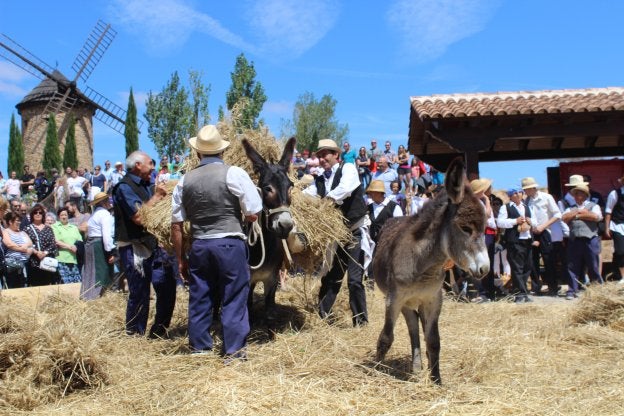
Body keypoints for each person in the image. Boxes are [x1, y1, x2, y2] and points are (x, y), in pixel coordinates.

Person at [171, 124, 262, 358]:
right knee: (233, 296)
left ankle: (200, 349)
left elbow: (176, 225)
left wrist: (180, 258)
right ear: (222, 151)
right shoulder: (235, 173)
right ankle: (233, 351)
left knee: (200, 296)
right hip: (230, 244)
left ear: (197, 152)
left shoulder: (184, 181)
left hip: (200, 245)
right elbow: (253, 212)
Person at [305, 138, 370, 326]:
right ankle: (322, 315)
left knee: (355, 280)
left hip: (355, 231)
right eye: (320, 155)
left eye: (326, 154)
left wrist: (327, 200)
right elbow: (308, 194)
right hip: (338, 235)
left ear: (336, 155)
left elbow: (345, 188)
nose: (322, 158)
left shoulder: (347, 168)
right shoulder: (319, 179)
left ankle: (361, 322)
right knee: (333, 276)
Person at [113, 151, 176, 338]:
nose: (153, 167)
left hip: (154, 245)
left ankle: (159, 331)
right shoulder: (123, 187)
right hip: (134, 247)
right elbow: (139, 217)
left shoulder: (149, 185)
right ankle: (135, 336)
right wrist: (157, 197)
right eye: (150, 163)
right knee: (139, 292)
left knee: (167, 286)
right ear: (138, 165)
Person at [522, 177, 563, 297]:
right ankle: (536, 287)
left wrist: (544, 226)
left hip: (545, 231)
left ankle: (553, 287)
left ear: (533, 188)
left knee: (548, 259)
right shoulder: (526, 201)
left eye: (527, 189)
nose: (526, 192)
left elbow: (557, 214)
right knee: (533, 260)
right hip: (532, 232)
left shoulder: (546, 197)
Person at [561, 184, 603, 299]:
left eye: (579, 194)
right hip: (575, 240)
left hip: (590, 239)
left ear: (585, 195)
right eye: (575, 194)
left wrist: (576, 215)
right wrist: (580, 213)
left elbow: (596, 217)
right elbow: (564, 218)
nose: (576, 196)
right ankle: (572, 290)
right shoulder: (570, 208)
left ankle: (597, 290)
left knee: (593, 265)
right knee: (572, 266)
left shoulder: (594, 206)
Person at [497, 188, 536, 303]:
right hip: (514, 241)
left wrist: (530, 221)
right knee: (517, 267)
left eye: (519, 192)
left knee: (527, 267)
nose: (518, 194)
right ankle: (520, 294)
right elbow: (500, 222)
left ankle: (520, 291)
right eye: (515, 193)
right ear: (510, 196)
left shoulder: (527, 207)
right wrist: (515, 221)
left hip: (527, 240)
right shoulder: (506, 207)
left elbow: (536, 222)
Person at [365, 180, 402, 288]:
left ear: (379, 193)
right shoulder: (368, 207)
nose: (370, 194)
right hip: (372, 243)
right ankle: (369, 289)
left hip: (388, 244)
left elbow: (399, 227)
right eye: (370, 192)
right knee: (371, 265)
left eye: (372, 192)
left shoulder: (394, 207)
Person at [81, 192, 116, 299]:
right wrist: (111, 252)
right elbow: (106, 235)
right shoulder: (105, 214)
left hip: (91, 244)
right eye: (108, 200)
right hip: (99, 246)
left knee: (91, 271)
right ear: (103, 202)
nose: (110, 202)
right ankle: (95, 298)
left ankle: (87, 296)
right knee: (101, 273)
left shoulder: (94, 215)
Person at [470, 178, 497, 302]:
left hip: (485, 234)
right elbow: (486, 215)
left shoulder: (478, 201)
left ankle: (487, 291)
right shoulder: (474, 202)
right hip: (480, 236)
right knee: (480, 263)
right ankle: (481, 292)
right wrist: (487, 200)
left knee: (486, 263)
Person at [24, 204, 59, 286]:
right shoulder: (27, 228)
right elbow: (27, 244)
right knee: (35, 285)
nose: (38, 214)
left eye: (40, 213)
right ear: (32, 215)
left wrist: (45, 253)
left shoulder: (48, 228)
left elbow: (53, 244)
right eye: (35, 212)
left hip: (47, 261)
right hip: (34, 262)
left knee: (48, 284)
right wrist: (36, 252)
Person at [52, 207, 83, 284]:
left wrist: (76, 247)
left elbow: (80, 240)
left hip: (73, 259)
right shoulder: (54, 226)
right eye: (62, 215)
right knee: (65, 283)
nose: (64, 217)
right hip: (61, 259)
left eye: (65, 215)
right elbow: (56, 241)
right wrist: (70, 247)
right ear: (59, 216)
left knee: (77, 283)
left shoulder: (74, 227)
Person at [605, 173, 624, 283]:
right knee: (621, 251)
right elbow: (608, 211)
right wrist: (607, 228)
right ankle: (622, 276)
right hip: (618, 226)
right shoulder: (615, 194)